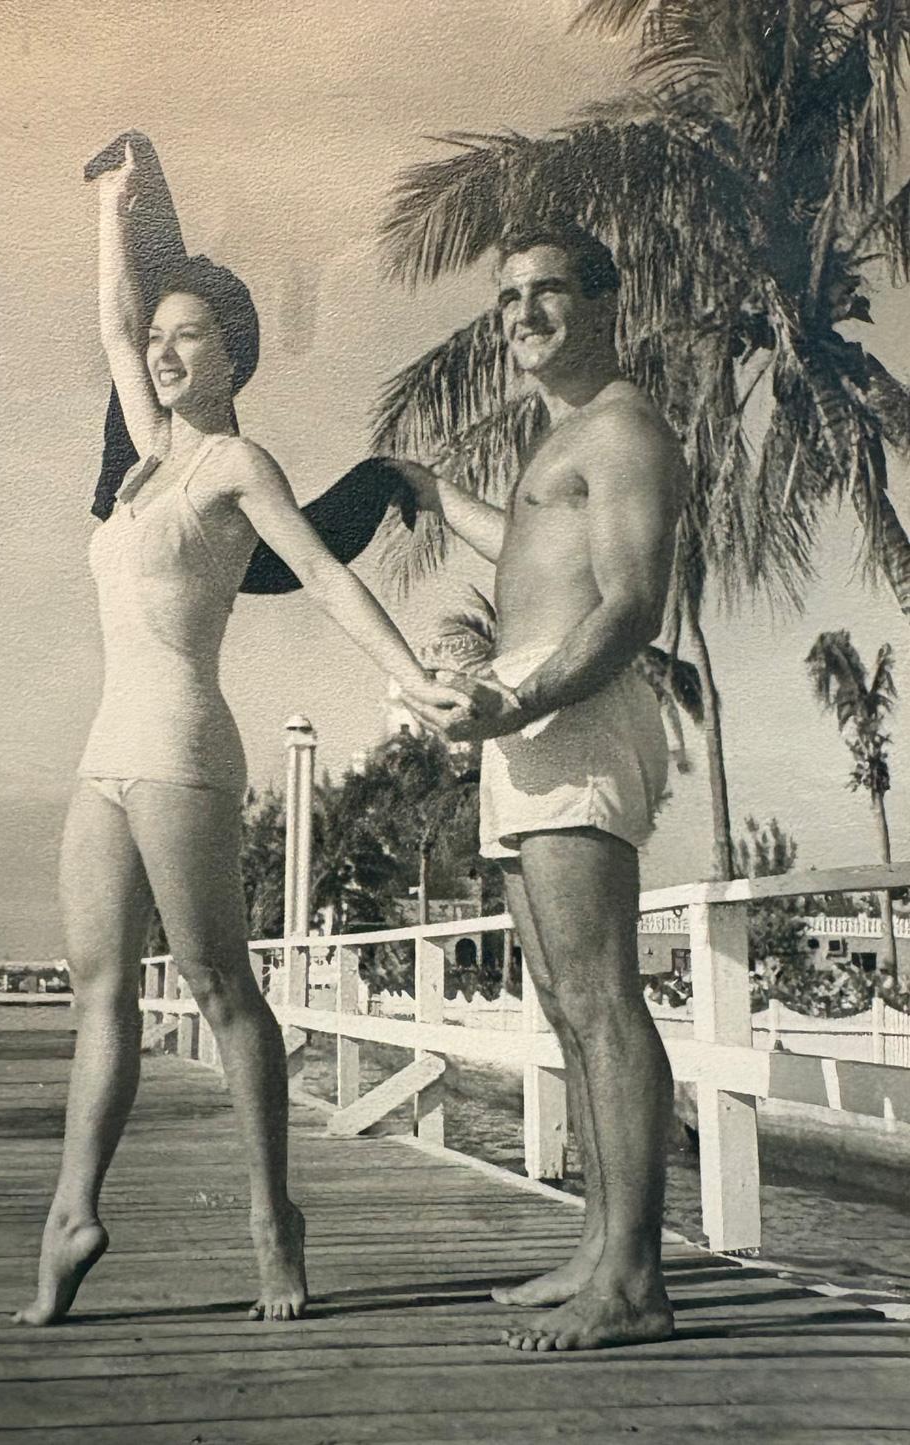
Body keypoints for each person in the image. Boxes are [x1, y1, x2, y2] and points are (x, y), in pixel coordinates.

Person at [13, 137, 470, 1327]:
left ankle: (274, 1217)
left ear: (233, 354)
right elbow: (112, 321)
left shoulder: (232, 463)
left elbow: (320, 573)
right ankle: (74, 1213)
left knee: (223, 988)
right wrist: (113, 202)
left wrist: (412, 676)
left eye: (189, 339)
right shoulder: (143, 452)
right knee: (99, 987)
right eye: (159, 340)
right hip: (105, 752)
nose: (163, 354)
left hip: (180, 746)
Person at [399, 228, 688, 1351]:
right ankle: (597, 1247)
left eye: (547, 291)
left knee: (604, 997)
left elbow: (627, 607)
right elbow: (525, 544)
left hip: (572, 708)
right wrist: (428, 493)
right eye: (508, 297)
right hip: (524, 714)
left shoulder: (621, 428)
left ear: (606, 299)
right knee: (565, 1003)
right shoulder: (565, 439)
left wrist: (520, 707)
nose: (522, 313)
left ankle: (634, 1283)